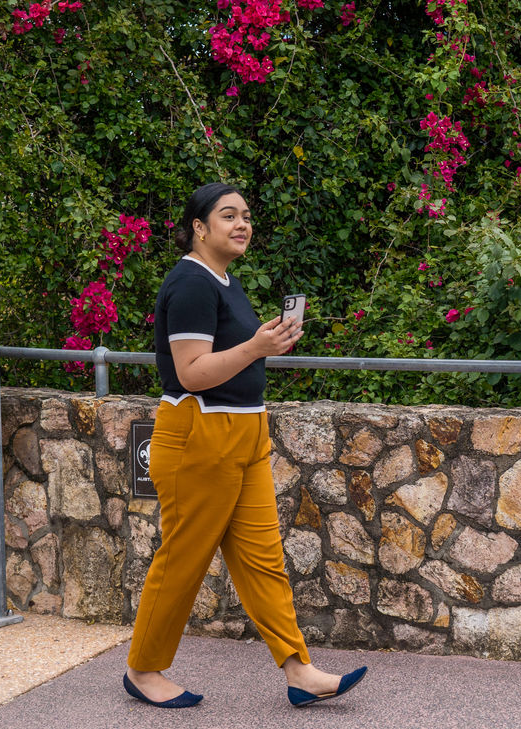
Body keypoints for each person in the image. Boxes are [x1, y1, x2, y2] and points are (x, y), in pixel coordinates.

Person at [122, 182, 368, 709]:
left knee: (264, 559)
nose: (241, 224)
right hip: (199, 436)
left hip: (245, 432)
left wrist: (264, 346)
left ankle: (299, 670)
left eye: (247, 216)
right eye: (228, 215)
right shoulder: (190, 282)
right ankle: (143, 669)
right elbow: (190, 373)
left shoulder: (226, 281)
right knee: (183, 560)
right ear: (199, 227)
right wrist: (256, 345)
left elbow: (229, 360)